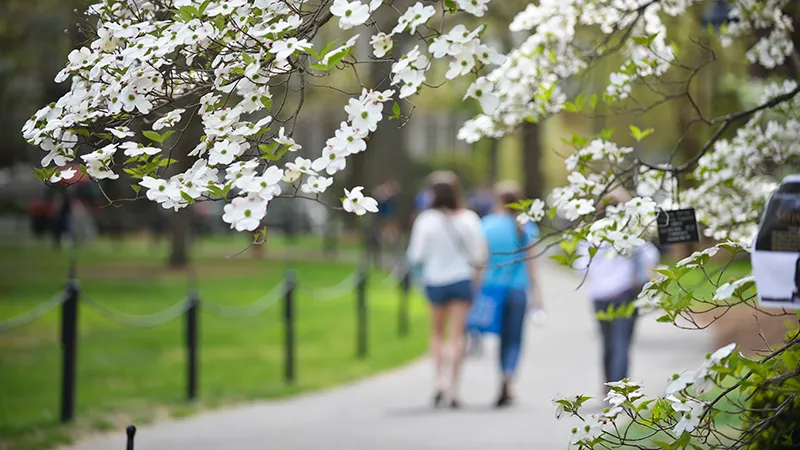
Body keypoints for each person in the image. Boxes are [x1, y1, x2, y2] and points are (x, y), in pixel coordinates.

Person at [407, 171, 487, 408]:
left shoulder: (425, 220)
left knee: (437, 334)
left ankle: (439, 382)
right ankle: (453, 388)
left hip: (435, 280)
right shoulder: (469, 219)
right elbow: (479, 255)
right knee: (458, 335)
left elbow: (416, 255)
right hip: (461, 279)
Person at [573, 187, 660, 394]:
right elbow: (651, 257)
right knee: (622, 344)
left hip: (599, 295)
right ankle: (619, 392)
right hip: (624, 293)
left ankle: (607, 387)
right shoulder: (629, 231)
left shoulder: (593, 233)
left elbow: (580, 267)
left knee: (608, 344)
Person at [480, 181, 543, 407]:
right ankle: (509, 374)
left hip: (493, 289)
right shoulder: (526, 227)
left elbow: (482, 259)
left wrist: (476, 289)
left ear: (498, 201)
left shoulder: (487, 225)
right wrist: (537, 295)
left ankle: (503, 375)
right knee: (514, 338)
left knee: (501, 338)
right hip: (518, 290)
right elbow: (532, 265)